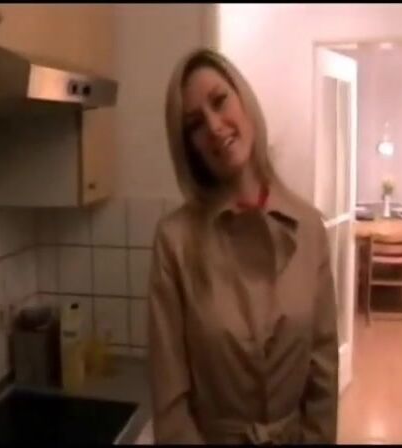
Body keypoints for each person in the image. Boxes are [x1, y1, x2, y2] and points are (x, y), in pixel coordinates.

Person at [147, 47, 338, 445]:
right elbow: (170, 402)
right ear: (189, 146)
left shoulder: (308, 228)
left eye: (219, 101)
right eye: (195, 124)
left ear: (245, 100)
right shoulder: (175, 242)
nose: (215, 127)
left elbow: (323, 376)